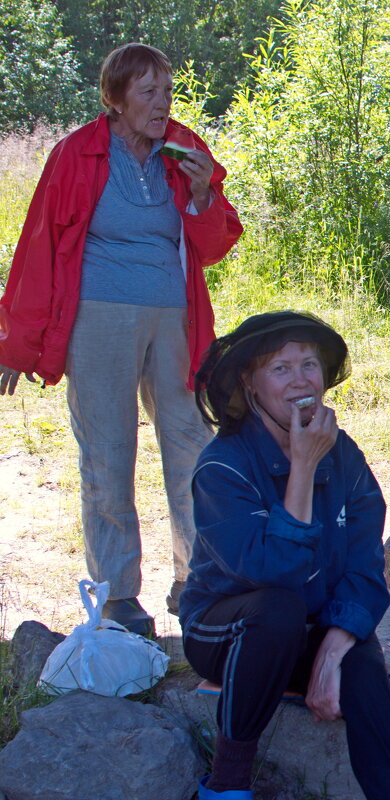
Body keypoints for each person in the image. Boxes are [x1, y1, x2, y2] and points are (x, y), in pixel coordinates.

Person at [0, 43, 242, 636]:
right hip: (98, 317)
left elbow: (213, 246)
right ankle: (117, 593)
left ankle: (198, 576)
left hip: (174, 317)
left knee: (192, 442)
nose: (162, 104)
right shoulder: (77, 153)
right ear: (115, 99)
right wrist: (16, 342)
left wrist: (203, 195)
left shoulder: (185, 149)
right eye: (148, 93)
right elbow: (39, 247)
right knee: (108, 451)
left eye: (166, 90)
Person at [181, 311, 390, 800]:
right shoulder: (223, 466)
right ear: (250, 384)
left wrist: (333, 649)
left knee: (363, 664)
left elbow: (366, 566)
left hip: (308, 628)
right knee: (279, 610)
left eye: (309, 364)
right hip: (230, 634)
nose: (300, 380)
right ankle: (227, 783)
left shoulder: (343, 453)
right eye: (280, 369)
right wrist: (303, 467)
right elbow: (276, 572)